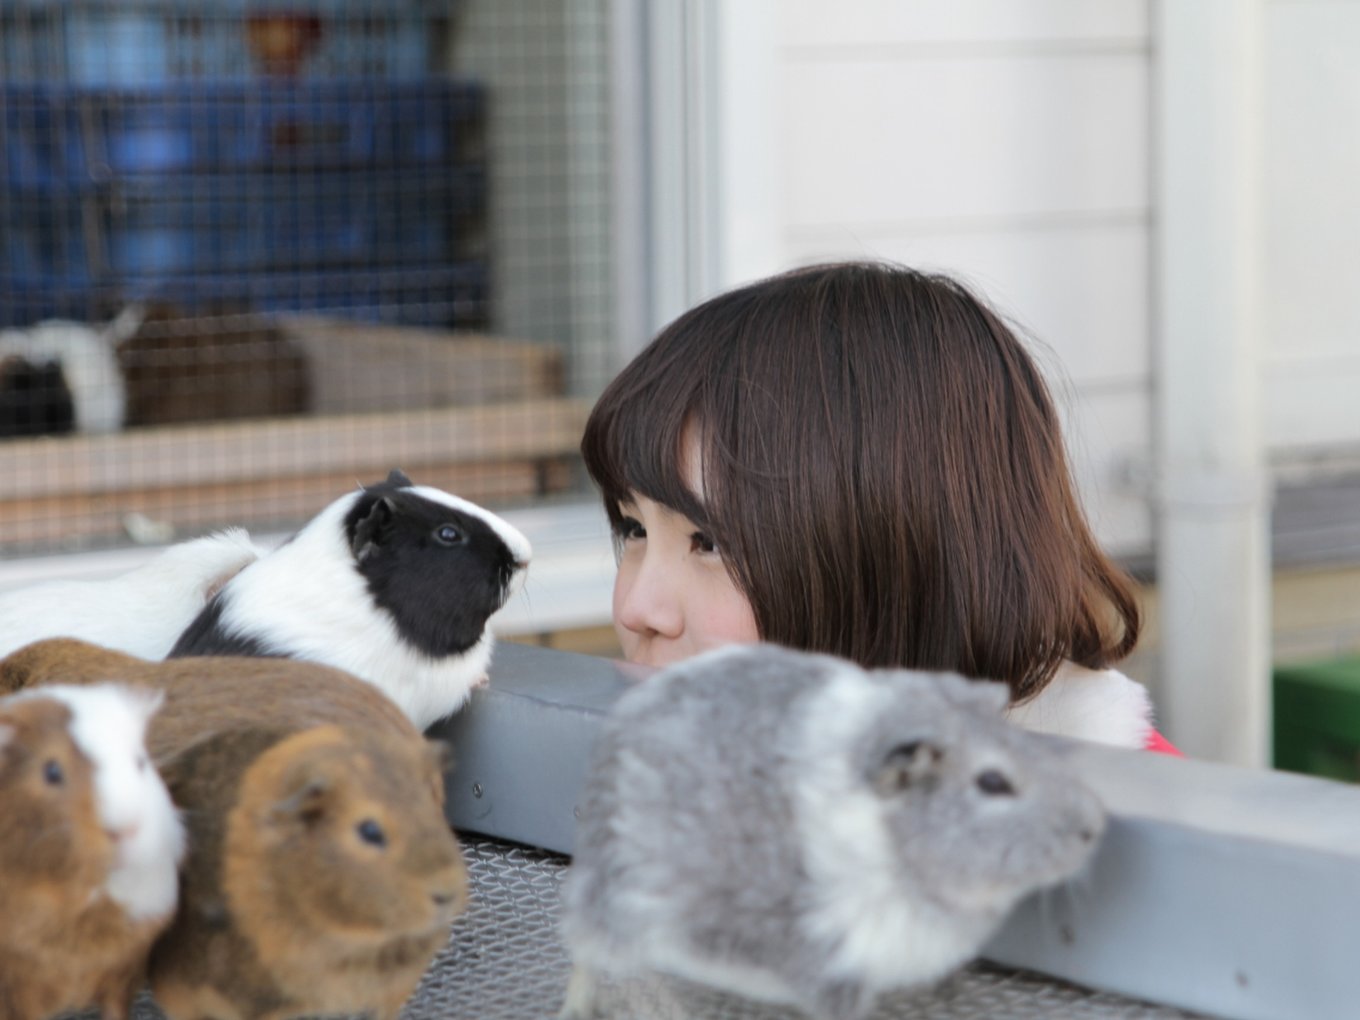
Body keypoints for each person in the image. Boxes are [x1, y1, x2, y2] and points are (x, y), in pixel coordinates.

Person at [580, 260, 1179, 754]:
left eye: (707, 542)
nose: (637, 608)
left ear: (897, 550)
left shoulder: (1141, 853)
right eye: (634, 529)